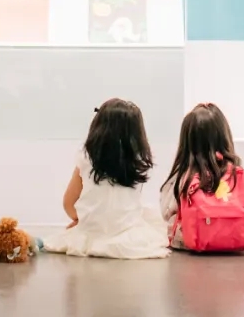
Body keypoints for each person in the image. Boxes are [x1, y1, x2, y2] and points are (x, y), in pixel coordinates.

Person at [42, 99, 169, 259]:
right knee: (147, 216)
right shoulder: (137, 163)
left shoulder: (86, 160)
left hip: (92, 233)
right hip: (127, 234)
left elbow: (68, 203)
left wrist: (82, 221)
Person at [160, 103, 243, 250]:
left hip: (189, 244)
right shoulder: (235, 174)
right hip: (235, 240)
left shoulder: (181, 178)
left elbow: (165, 213)